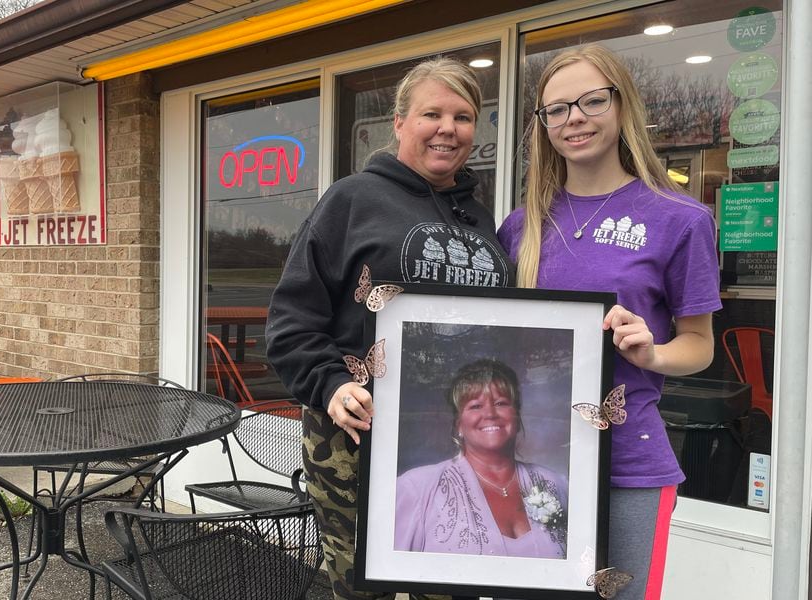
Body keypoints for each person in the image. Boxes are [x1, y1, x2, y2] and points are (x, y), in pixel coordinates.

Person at [266, 57, 514, 600]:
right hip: (358, 436)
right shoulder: (351, 200)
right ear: (399, 123)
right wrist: (330, 385)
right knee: (360, 584)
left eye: (464, 116)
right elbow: (291, 323)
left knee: (450, 576)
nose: (448, 128)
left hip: (454, 434)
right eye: (432, 113)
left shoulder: (480, 217)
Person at [498, 44, 721, 599]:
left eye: (592, 101)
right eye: (556, 109)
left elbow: (699, 344)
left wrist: (653, 354)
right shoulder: (520, 227)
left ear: (621, 106)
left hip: (629, 465)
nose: (574, 118)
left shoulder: (681, 219)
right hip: (527, 460)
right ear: (543, 123)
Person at [394, 359, 568, 558]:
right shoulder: (417, 488)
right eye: (475, 406)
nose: (490, 414)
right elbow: (388, 573)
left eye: (501, 403)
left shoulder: (558, 485)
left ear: (517, 417)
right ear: (458, 424)